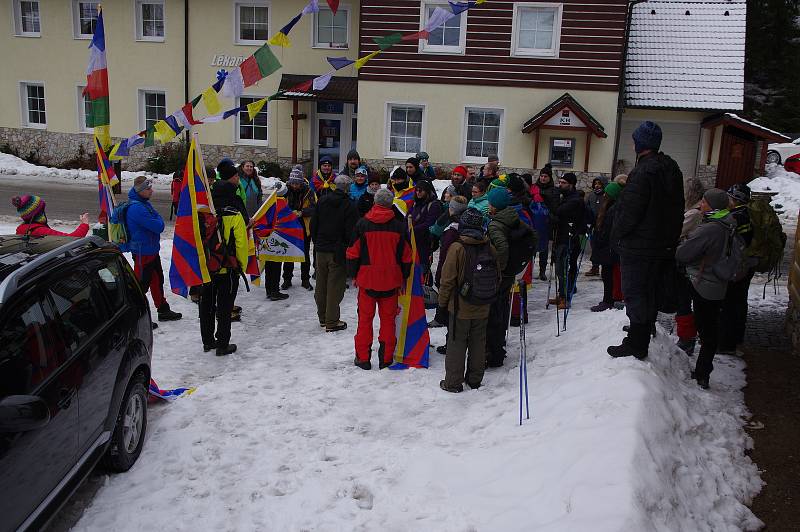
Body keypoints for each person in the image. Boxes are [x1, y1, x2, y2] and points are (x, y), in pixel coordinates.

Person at [607, 121, 684, 360]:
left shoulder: (643, 172)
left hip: (639, 246)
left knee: (636, 292)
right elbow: (678, 208)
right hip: (662, 244)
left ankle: (637, 344)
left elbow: (629, 212)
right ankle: (643, 329)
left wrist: (616, 235)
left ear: (639, 144)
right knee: (650, 291)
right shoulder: (672, 168)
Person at [675, 188, 737, 389]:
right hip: (718, 282)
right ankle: (703, 370)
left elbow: (683, 254)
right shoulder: (728, 223)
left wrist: (682, 246)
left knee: (707, 329)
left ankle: (702, 373)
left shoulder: (710, 228)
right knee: (710, 327)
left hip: (704, 283)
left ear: (712, 205)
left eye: (704, 201)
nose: (701, 204)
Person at [346, 189, 412, 369]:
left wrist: (353, 274)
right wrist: (403, 276)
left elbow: (352, 253)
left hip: (367, 281)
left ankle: (363, 358)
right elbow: (407, 256)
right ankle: (386, 359)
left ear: (375, 202)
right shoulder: (399, 226)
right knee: (388, 321)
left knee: (365, 321)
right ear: (391, 204)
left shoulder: (362, 224)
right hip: (391, 280)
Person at [437, 207, 499, 392]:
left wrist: (442, 304)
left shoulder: (457, 248)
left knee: (457, 342)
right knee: (478, 342)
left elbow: (447, 280)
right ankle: (475, 379)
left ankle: (453, 382)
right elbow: (498, 277)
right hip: (483, 304)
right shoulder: (490, 247)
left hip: (460, 306)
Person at [201, 172, 250, 356]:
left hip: (207, 267)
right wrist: (241, 266)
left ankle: (207, 341)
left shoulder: (204, 214)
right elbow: (241, 244)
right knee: (224, 307)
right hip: (227, 268)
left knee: (206, 305)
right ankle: (222, 344)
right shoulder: (234, 215)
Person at [123, 176, 182, 322]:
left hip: (150, 251)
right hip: (143, 253)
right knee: (141, 285)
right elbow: (159, 226)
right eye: (148, 188)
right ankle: (135, 317)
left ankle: (163, 310)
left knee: (157, 280)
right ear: (140, 190)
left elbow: (157, 221)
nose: (152, 191)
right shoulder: (137, 208)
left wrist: (157, 218)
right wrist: (157, 218)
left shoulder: (143, 204)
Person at [311, 174, 358, 332]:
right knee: (335, 287)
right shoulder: (350, 206)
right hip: (338, 250)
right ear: (347, 188)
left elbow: (314, 223)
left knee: (321, 283)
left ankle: (323, 317)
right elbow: (351, 231)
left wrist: (317, 242)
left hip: (321, 248)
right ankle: (331, 321)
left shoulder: (322, 201)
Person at [717, 183, 756, 355]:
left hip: (735, 267)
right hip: (746, 265)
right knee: (739, 303)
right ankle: (735, 339)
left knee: (729, 304)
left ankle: (726, 343)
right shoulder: (748, 214)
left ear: (735, 199)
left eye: (729, 197)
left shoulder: (735, 216)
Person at [485, 187, 520, 367]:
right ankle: (498, 347)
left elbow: (502, 249)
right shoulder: (511, 216)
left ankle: (493, 352)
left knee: (494, 313)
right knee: (501, 309)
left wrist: (498, 270)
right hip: (508, 274)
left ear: (494, 205)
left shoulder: (496, 224)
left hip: (500, 275)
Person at [674, 177, 706, 355]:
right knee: (684, 300)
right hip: (690, 262)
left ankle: (687, 338)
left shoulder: (694, 213)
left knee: (683, 301)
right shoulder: (695, 210)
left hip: (688, 263)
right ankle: (687, 337)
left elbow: (677, 231)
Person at [429, 196, 469, 330]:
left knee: (447, 293)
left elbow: (445, 255)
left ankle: (443, 319)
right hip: (462, 266)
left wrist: (439, 275)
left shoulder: (452, 229)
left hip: (450, 266)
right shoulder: (465, 222)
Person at [548, 173, 584, 309]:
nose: (560, 185)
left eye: (563, 183)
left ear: (571, 184)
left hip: (569, 239)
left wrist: (554, 204)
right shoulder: (567, 197)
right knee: (559, 269)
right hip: (560, 237)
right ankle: (561, 294)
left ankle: (565, 297)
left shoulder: (575, 200)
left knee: (563, 269)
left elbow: (558, 211)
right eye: (560, 182)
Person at [283, 165, 316, 291]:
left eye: (297, 183)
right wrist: (289, 213)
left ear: (301, 182)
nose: (295, 186)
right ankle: (287, 279)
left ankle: (305, 279)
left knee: (304, 254)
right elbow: (280, 207)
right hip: (289, 226)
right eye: (293, 183)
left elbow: (314, 208)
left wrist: (302, 212)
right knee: (288, 253)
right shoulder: (286, 191)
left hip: (304, 226)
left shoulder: (309, 191)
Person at [590, 182, 622, 311]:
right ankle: (608, 299)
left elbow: (608, 230)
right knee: (607, 274)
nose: (603, 195)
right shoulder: (610, 207)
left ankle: (608, 300)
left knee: (608, 275)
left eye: (606, 193)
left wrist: (599, 239)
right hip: (606, 247)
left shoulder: (613, 210)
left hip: (608, 248)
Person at [259, 178, 290, 301]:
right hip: (278, 238)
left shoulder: (267, 204)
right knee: (276, 265)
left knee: (269, 264)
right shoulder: (281, 205)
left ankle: (269, 289)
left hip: (267, 238)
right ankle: (275, 291)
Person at [12, 195, 90, 237]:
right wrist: (84, 224)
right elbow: (71, 239)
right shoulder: (40, 231)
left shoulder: (21, 229)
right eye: (42, 209)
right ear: (38, 213)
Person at [410, 179, 442, 278]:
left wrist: (413, 229)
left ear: (427, 191)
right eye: (417, 190)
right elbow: (408, 216)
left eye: (421, 190)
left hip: (425, 243)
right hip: (413, 241)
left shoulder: (433, 205)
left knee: (423, 272)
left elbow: (429, 223)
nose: (418, 193)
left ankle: (426, 291)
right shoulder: (416, 203)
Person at [534, 165, 559, 280]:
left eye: (545, 176)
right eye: (541, 176)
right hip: (534, 222)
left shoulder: (553, 190)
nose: (543, 178)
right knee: (532, 247)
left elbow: (554, 207)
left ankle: (542, 271)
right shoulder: (535, 188)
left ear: (550, 178)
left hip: (546, 222)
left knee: (544, 248)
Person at [585, 178, 605, 276]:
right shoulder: (591, 195)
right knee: (594, 246)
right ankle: (595, 266)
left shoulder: (606, 195)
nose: (597, 185)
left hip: (603, 225)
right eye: (595, 183)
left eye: (599, 184)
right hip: (592, 224)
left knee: (602, 246)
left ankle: (604, 267)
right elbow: (587, 207)